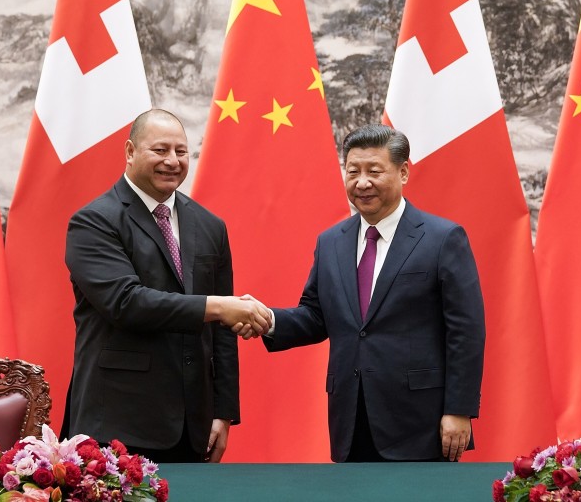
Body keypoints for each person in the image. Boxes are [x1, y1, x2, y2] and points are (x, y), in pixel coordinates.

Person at [255, 123, 485, 462]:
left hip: (421, 422)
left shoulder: (443, 238)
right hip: (351, 418)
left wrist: (459, 409)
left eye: (374, 171)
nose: (362, 182)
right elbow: (316, 316)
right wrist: (266, 319)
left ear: (403, 172)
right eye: (353, 172)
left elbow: (465, 331)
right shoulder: (330, 242)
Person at [65, 108, 270, 463]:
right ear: (130, 152)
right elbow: (126, 303)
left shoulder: (210, 226)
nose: (172, 161)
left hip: (193, 427)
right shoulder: (94, 221)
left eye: (181, 151)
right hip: (116, 425)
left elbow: (222, 334)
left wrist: (223, 411)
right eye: (160, 150)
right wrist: (220, 306)